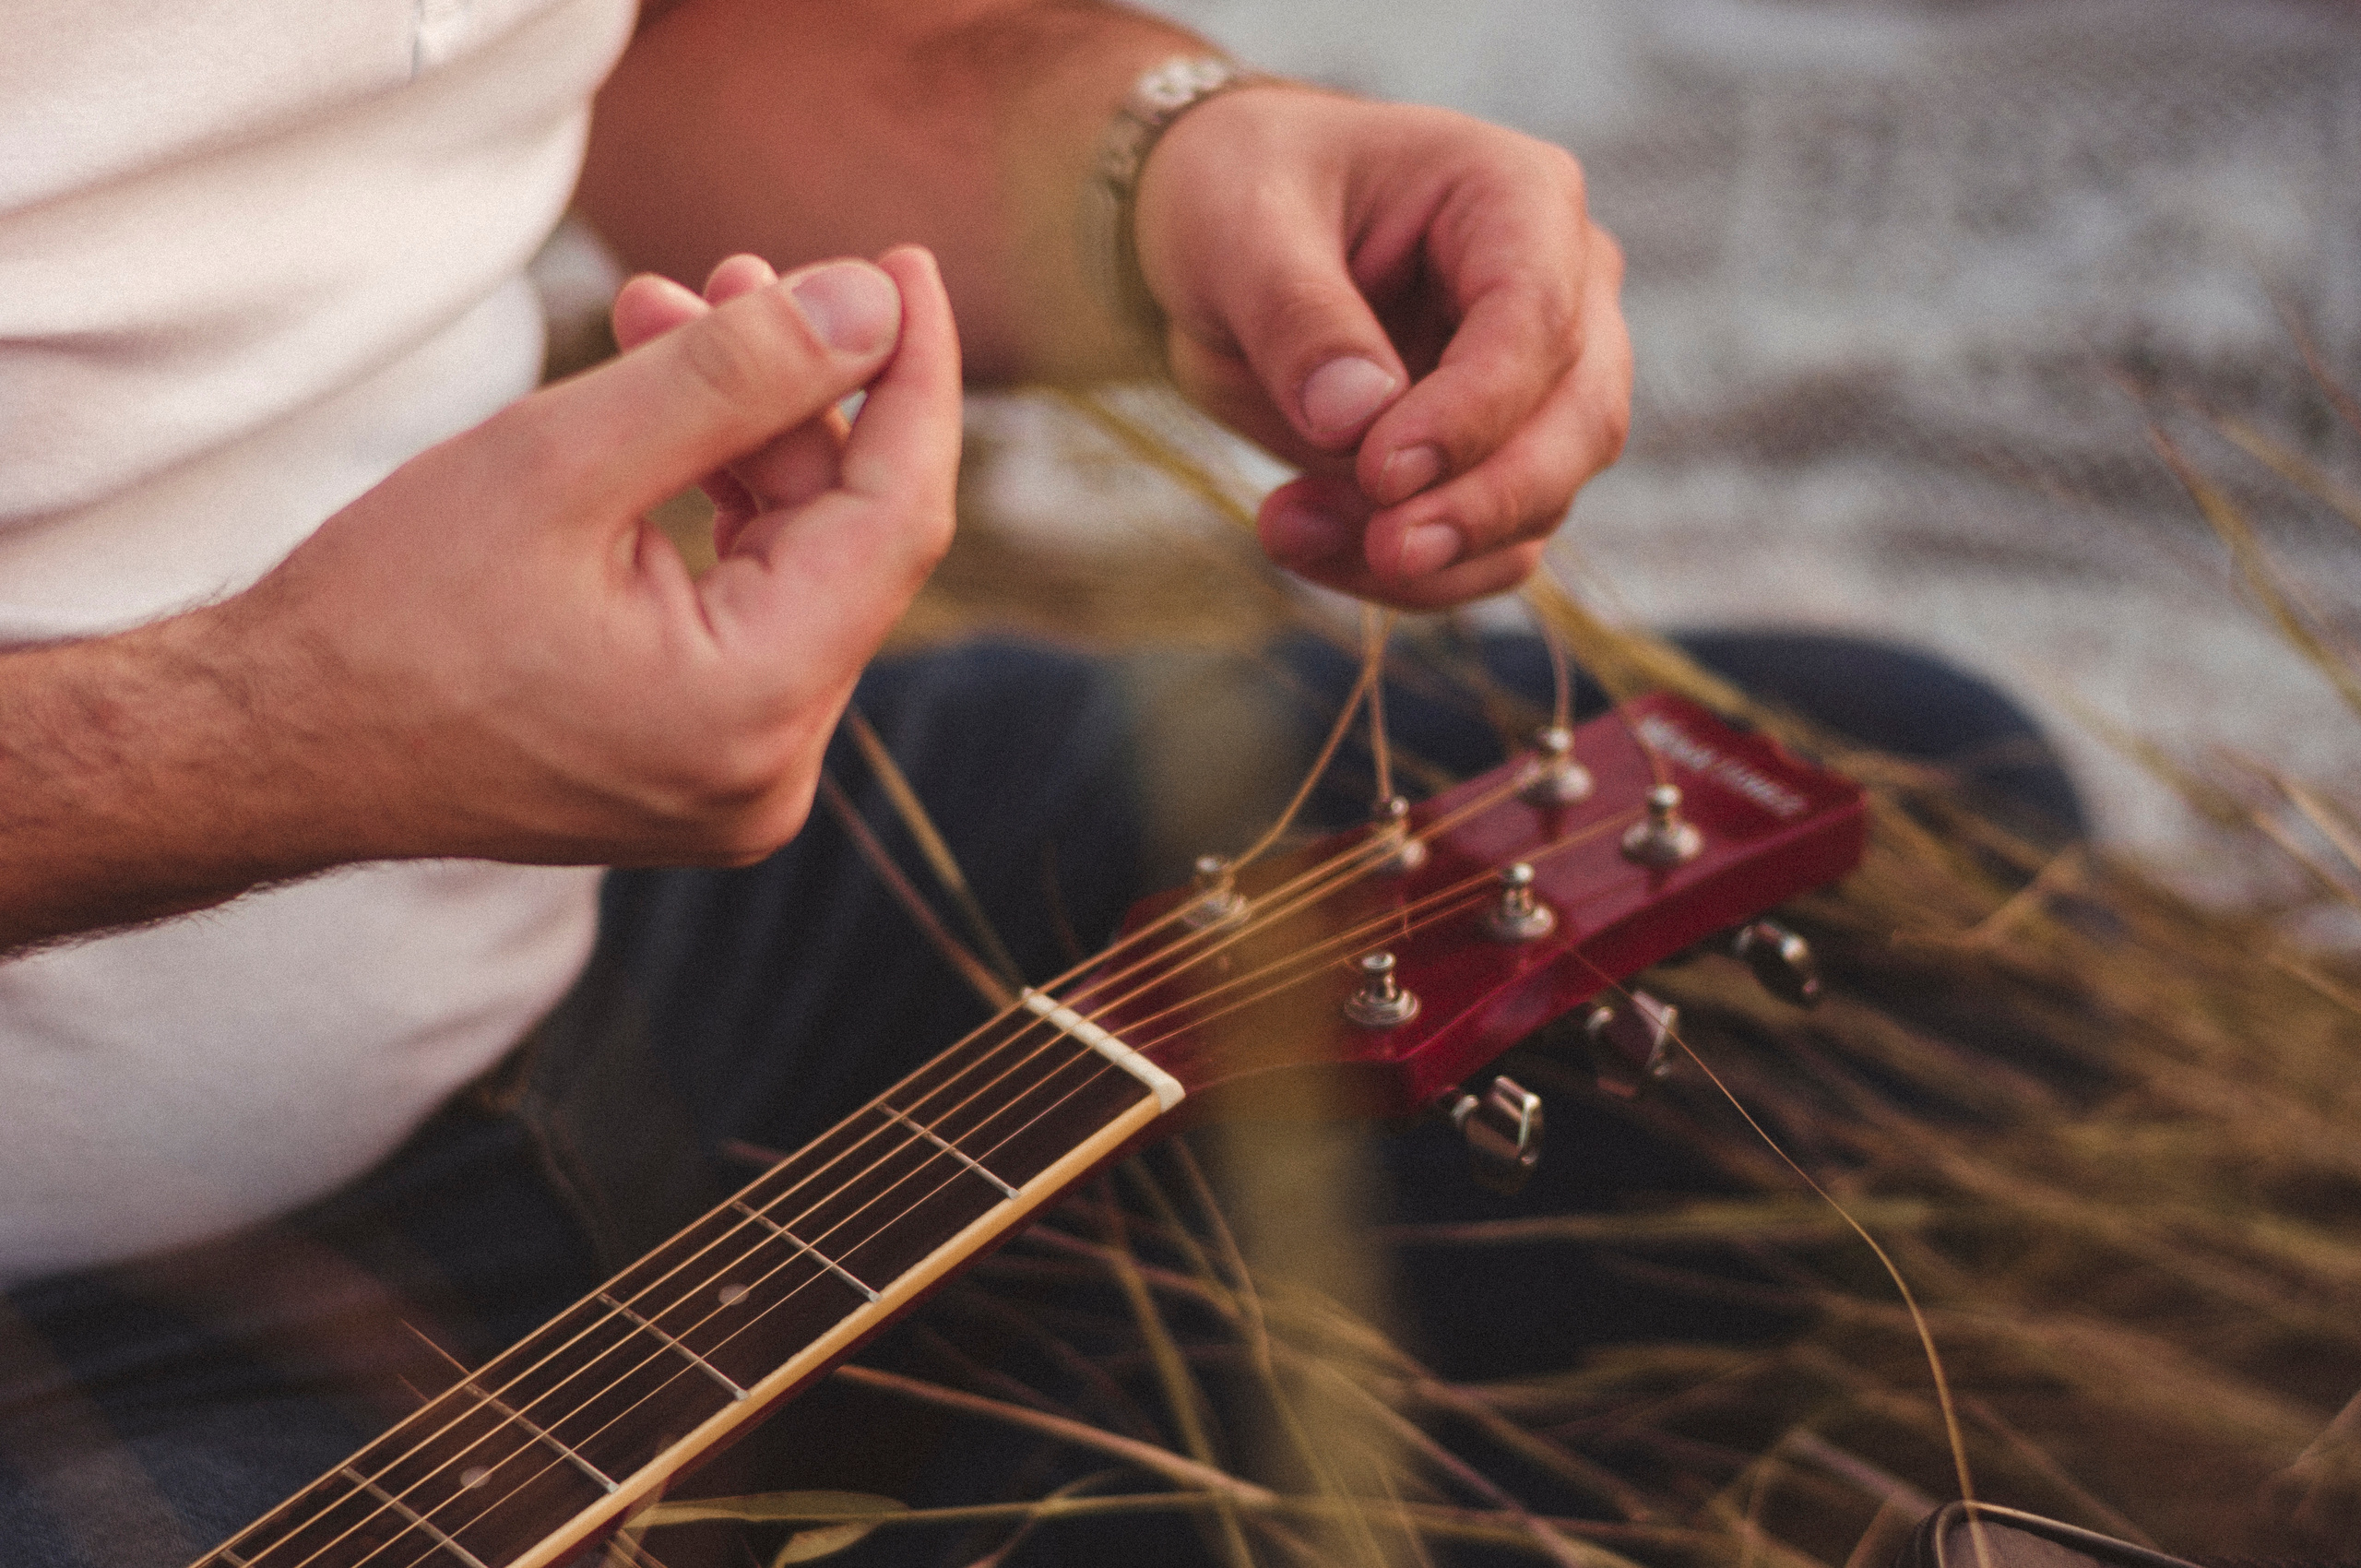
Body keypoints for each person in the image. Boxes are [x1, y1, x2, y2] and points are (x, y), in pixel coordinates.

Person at [0, 0, 1632, 1561]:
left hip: (633, 952)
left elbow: (664, 40)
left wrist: (1171, 167)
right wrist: (277, 729)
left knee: (1721, 828)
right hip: (63, 1331)